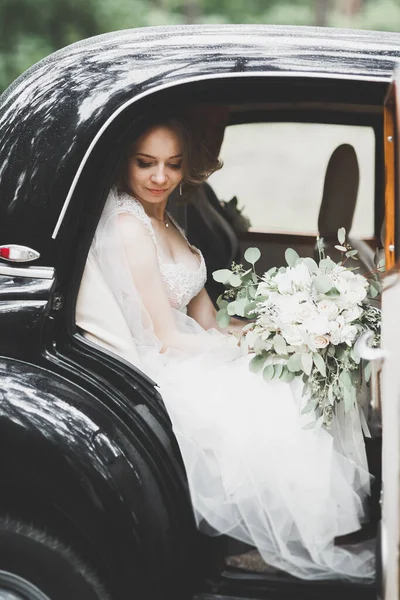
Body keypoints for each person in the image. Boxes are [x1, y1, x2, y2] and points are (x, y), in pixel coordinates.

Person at [81, 113, 375, 582]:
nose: (160, 177)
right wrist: (251, 349)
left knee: (301, 371)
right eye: (145, 163)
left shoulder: (167, 219)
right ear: (124, 164)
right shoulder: (127, 226)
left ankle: (300, 534)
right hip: (162, 365)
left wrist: (282, 327)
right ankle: (274, 540)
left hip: (191, 348)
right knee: (274, 395)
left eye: (173, 164)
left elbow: (208, 321)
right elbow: (166, 336)